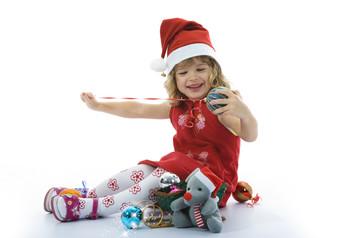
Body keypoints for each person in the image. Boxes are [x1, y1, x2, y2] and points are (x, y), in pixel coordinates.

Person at [44, 18, 258, 222]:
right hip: (176, 170)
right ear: (174, 78)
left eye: (200, 69)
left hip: (209, 185)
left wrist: (244, 113)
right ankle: (86, 196)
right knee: (143, 170)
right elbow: (137, 109)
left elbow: (250, 135)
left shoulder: (221, 106)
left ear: (214, 71)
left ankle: (91, 208)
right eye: (183, 72)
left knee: (158, 177)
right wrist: (99, 105)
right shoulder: (179, 106)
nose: (192, 77)